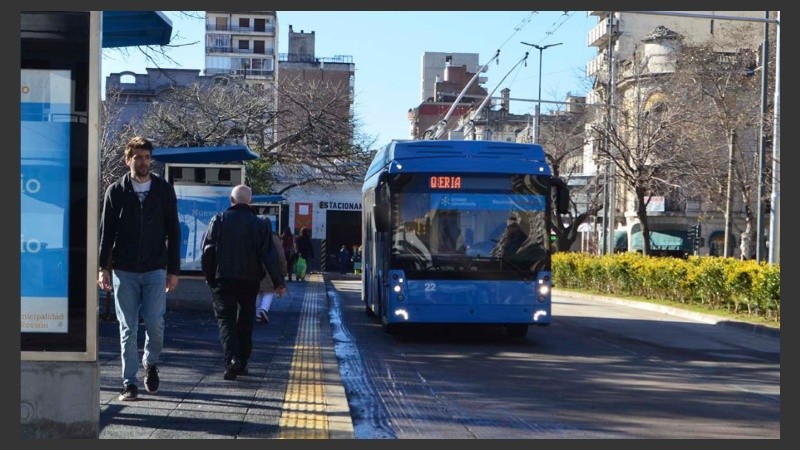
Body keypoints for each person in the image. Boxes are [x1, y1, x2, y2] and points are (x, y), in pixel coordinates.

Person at [97, 136, 181, 402]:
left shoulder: (164, 190)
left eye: (146, 157)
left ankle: (151, 361)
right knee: (128, 328)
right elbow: (106, 233)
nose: (143, 162)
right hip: (124, 269)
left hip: (156, 268)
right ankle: (129, 382)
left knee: (155, 322)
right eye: (138, 157)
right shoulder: (116, 191)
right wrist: (103, 267)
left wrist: (174, 270)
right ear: (127, 160)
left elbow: (174, 231)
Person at [201, 184, 286, 380]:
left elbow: (208, 250)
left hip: (223, 279)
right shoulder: (261, 224)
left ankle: (232, 360)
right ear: (251, 202)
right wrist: (278, 282)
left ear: (231, 201)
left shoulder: (219, 220)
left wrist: (209, 276)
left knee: (226, 320)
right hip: (250, 280)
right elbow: (269, 255)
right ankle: (243, 362)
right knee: (246, 321)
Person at [256, 225, 288, 324]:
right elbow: (281, 256)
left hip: (254, 268)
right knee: (269, 290)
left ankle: (258, 315)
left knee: (257, 291)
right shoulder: (274, 237)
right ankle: (263, 310)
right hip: (270, 269)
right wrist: (283, 272)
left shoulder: (254, 234)